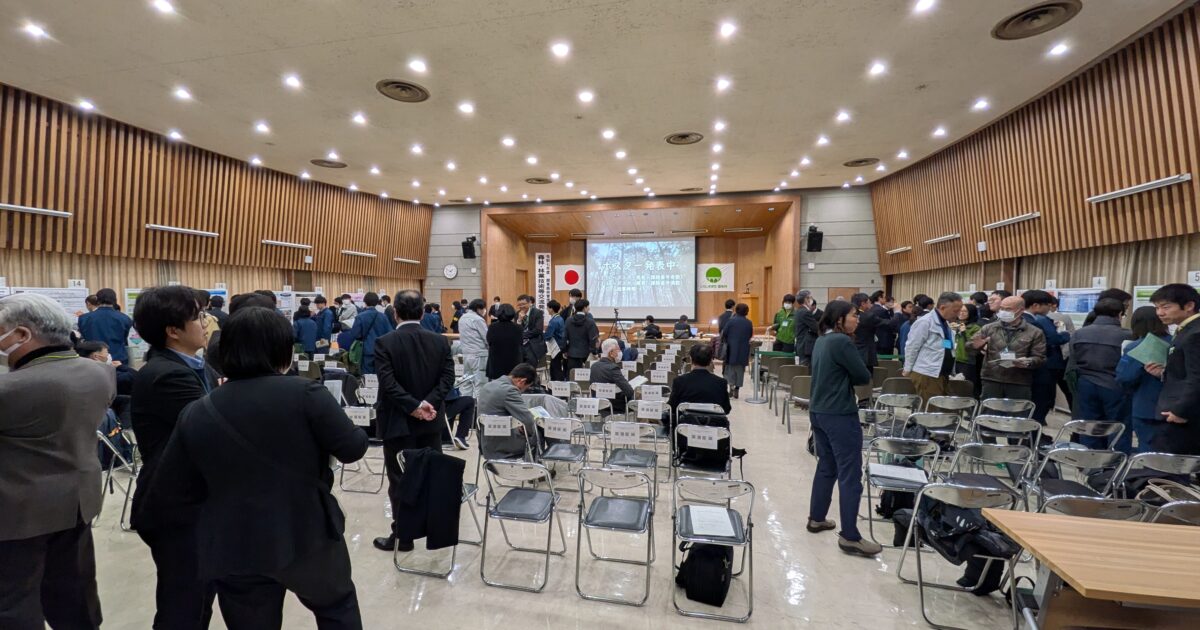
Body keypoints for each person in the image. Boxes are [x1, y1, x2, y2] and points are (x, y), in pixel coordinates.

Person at [144, 306, 367, 629]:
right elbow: (352, 448)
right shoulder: (306, 393)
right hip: (307, 530)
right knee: (336, 607)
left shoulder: (199, 409)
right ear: (282, 349)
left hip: (234, 540)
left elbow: (174, 486)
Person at [0, 293, 113, 629]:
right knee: (75, 593)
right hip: (77, 501)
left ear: (22, 334)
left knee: (14, 603)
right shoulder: (100, 373)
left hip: (17, 513)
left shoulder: (12, 389)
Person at [129, 285, 216, 629]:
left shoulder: (190, 365)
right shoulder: (168, 374)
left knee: (198, 599)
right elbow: (215, 428)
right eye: (198, 317)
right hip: (177, 505)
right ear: (173, 331)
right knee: (184, 605)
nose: (206, 323)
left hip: (194, 502)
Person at [373, 290, 456, 553]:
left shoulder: (384, 342)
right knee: (431, 475)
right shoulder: (440, 341)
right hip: (431, 420)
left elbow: (388, 384)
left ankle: (403, 537)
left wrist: (413, 406)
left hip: (398, 421)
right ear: (422, 312)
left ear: (395, 312)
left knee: (399, 480)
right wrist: (427, 403)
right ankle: (436, 533)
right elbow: (447, 379)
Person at [806, 300, 878, 557]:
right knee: (850, 473)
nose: (857, 319)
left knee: (827, 466)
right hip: (839, 412)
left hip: (819, 410)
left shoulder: (822, 340)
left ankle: (817, 518)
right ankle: (850, 536)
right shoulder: (842, 342)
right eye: (854, 315)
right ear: (839, 319)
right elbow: (862, 376)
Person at [1070, 297, 1133, 452]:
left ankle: (1091, 460)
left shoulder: (1079, 333)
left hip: (1085, 383)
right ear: (1120, 314)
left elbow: (1073, 359)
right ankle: (1116, 462)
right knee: (1118, 426)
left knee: (1089, 425)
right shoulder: (1127, 335)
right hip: (1115, 384)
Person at [1147, 284, 1200, 454]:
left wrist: (1180, 411)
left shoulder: (1195, 333)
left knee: (1169, 465)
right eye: (1157, 308)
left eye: (1166, 307)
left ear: (1189, 306)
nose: (1160, 313)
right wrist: (1163, 372)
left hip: (1183, 415)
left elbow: (1197, 378)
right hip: (1177, 410)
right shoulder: (1186, 330)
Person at [1116, 306, 1171, 453]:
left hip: (1146, 406)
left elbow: (1125, 377)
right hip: (1175, 408)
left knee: (1148, 451)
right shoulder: (1176, 343)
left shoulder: (1136, 347)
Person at [970, 295, 1046, 401]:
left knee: (1017, 410)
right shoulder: (989, 328)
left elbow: (1040, 358)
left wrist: (1028, 362)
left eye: (1008, 309)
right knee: (990, 409)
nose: (1003, 312)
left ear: (1021, 310)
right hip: (991, 378)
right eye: (1002, 308)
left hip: (1019, 380)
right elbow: (970, 347)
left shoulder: (1035, 332)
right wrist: (974, 345)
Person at [903, 292, 963, 405]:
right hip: (927, 374)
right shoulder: (925, 322)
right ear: (943, 307)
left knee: (943, 408)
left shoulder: (945, 323)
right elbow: (912, 347)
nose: (958, 314)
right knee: (931, 409)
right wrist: (907, 369)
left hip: (942, 374)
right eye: (955, 311)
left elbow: (945, 345)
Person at [1022, 290, 1071, 424]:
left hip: (1031, 365)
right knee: (1043, 399)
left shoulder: (1023, 318)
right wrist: (1065, 334)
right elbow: (1053, 339)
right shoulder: (1040, 320)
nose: (1049, 309)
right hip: (1045, 365)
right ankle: (1035, 430)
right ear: (1036, 305)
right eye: (1048, 306)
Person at [476, 363, 540, 460]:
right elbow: (528, 421)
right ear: (522, 381)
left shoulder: (487, 386)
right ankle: (535, 466)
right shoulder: (510, 390)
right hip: (502, 445)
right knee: (538, 432)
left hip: (485, 443)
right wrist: (528, 431)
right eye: (525, 388)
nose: (522, 391)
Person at [666, 343, 731, 433]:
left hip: (684, 432)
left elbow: (672, 407)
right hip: (714, 432)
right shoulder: (721, 382)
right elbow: (726, 409)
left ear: (691, 359)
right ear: (710, 361)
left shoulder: (679, 381)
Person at [77, 287, 134, 365]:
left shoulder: (84, 318)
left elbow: (84, 338)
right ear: (115, 300)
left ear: (97, 300)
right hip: (118, 360)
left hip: (93, 360)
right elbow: (124, 339)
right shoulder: (125, 318)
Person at [348, 292, 393, 374]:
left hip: (366, 350)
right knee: (380, 375)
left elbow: (355, 335)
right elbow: (390, 333)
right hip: (381, 351)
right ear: (377, 302)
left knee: (367, 376)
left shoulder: (360, 316)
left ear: (365, 302)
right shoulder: (383, 316)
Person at [590, 338, 635, 414]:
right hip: (613, 406)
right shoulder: (613, 368)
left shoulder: (594, 366)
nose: (620, 352)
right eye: (618, 350)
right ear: (611, 353)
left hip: (598, 403)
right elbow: (629, 391)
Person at [720, 303, 754, 398]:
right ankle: (737, 389)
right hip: (743, 349)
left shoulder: (731, 321)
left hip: (731, 349)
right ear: (747, 312)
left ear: (736, 310)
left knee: (730, 369)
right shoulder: (749, 322)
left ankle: (731, 387)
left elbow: (724, 333)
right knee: (740, 370)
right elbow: (750, 335)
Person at [951, 303, 983, 399]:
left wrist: (964, 332)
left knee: (967, 387)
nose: (961, 313)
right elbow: (946, 342)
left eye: (965, 311)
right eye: (960, 310)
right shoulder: (953, 325)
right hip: (953, 359)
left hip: (966, 361)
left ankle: (971, 405)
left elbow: (974, 345)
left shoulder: (976, 328)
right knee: (953, 386)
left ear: (971, 313)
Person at [458, 299, 489, 397]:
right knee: (481, 383)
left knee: (467, 383)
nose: (484, 311)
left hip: (466, 354)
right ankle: (480, 406)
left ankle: (465, 405)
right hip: (479, 355)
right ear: (478, 309)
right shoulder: (478, 319)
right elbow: (487, 338)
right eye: (483, 308)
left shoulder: (462, 318)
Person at [486, 303, 523, 380]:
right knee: (512, 382)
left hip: (496, 360)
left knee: (496, 382)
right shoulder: (518, 327)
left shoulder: (492, 327)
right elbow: (520, 342)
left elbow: (489, 341)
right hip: (513, 360)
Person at [564, 299, 600, 372]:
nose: (589, 308)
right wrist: (594, 352)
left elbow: (564, 337)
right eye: (588, 306)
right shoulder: (590, 322)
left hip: (572, 353)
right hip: (586, 354)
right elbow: (593, 339)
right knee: (586, 376)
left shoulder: (568, 320)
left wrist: (564, 350)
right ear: (584, 308)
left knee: (573, 375)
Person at [850, 293, 880, 369]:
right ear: (863, 303)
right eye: (869, 302)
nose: (871, 304)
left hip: (852, 352)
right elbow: (886, 323)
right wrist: (897, 313)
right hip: (866, 354)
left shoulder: (848, 315)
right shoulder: (869, 316)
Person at [516, 294, 547, 366]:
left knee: (531, 367)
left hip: (533, 345)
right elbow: (516, 330)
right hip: (521, 346)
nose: (521, 306)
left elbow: (538, 330)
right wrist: (519, 320)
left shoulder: (538, 313)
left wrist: (522, 335)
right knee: (520, 367)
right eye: (519, 305)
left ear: (529, 303)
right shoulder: (517, 314)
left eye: (523, 304)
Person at [795, 291, 820, 366]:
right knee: (807, 369)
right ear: (806, 299)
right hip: (806, 348)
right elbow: (816, 328)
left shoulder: (799, 311)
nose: (811, 299)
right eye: (810, 297)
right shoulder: (805, 312)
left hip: (801, 346)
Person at [543, 300, 567, 381]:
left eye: (547, 308)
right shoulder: (560, 318)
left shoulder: (554, 321)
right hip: (561, 346)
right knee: (555, 366)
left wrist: (540, 335)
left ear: (551, 309)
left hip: (556, 347)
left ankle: (557, 384)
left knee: (555, 368)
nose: (547, 309)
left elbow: (548, 335)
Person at [868, 291, 896, 356]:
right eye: (884, 298)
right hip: (884, 340)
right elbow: (889, 324)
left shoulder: (872, 308)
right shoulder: (881, 310)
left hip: (877, 339)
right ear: (879, 298)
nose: (885, 299)